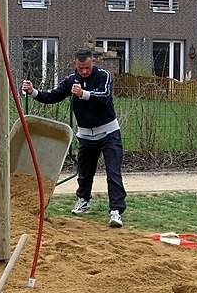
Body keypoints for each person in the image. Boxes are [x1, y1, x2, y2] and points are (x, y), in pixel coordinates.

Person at [22, 48, 127, 228]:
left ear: (93, 62)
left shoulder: (104, 76)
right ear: (75, 65)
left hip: (109, 133)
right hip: (85, 135)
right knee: (84, 173)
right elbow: (53, 96)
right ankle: (84, 200)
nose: (84, 71)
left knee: (113, 173)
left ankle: (116, 211)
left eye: (87, 67)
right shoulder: (71, 80)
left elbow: (105, 97)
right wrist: (33, 92)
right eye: (80, 68)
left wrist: (83, 94)